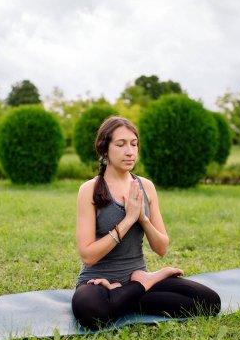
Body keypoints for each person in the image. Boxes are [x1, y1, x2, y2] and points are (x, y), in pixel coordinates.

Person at [72, 116, 221, 328]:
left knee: (209, 302)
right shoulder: (90, 190)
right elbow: (88, 256)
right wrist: (128, 220)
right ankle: (138, 287)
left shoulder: (146, 187)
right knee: (90, 312)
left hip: (136, 274)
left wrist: (142, 218)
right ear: (104, 150)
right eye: (121, 144)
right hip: (98, 282)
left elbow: (161, 247)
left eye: (134, 144)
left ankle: (127, 293)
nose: (130, 151)